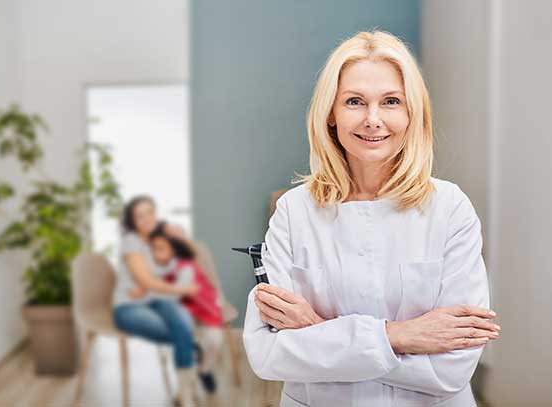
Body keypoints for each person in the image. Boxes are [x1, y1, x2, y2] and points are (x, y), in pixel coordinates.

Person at [242, 30, 501, 407]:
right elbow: (269, 353)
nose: (373, 119)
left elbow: (452, 368)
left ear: (412, 113)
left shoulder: (449, 207)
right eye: (354, 102)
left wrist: (318, 333)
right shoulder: (294, 211)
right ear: (330, 113)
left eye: (391, 101)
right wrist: (399, 336)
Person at [112, 195, 201, 407]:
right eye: (139, 215)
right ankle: (189, 384)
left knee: (182, 325)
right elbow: (146, 280)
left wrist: (180, 236)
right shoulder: (131, 242)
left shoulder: (157, 240)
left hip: (155, 300)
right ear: (132, 221)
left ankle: (184, 391)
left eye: (149, 212)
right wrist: (181, 288)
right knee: (182, 332)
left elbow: (188, 257)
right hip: (127, 307)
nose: (146, 219)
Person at [142, 222, 224, 395]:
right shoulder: (153, 262)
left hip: (199, 305)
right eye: (172, 235)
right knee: (183, 338)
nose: (178, 238)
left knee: (214, 340)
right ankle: (185, 388)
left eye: (180, 234)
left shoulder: (187, 264)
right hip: (174, 307)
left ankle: (205, 370)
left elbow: (199, 287)